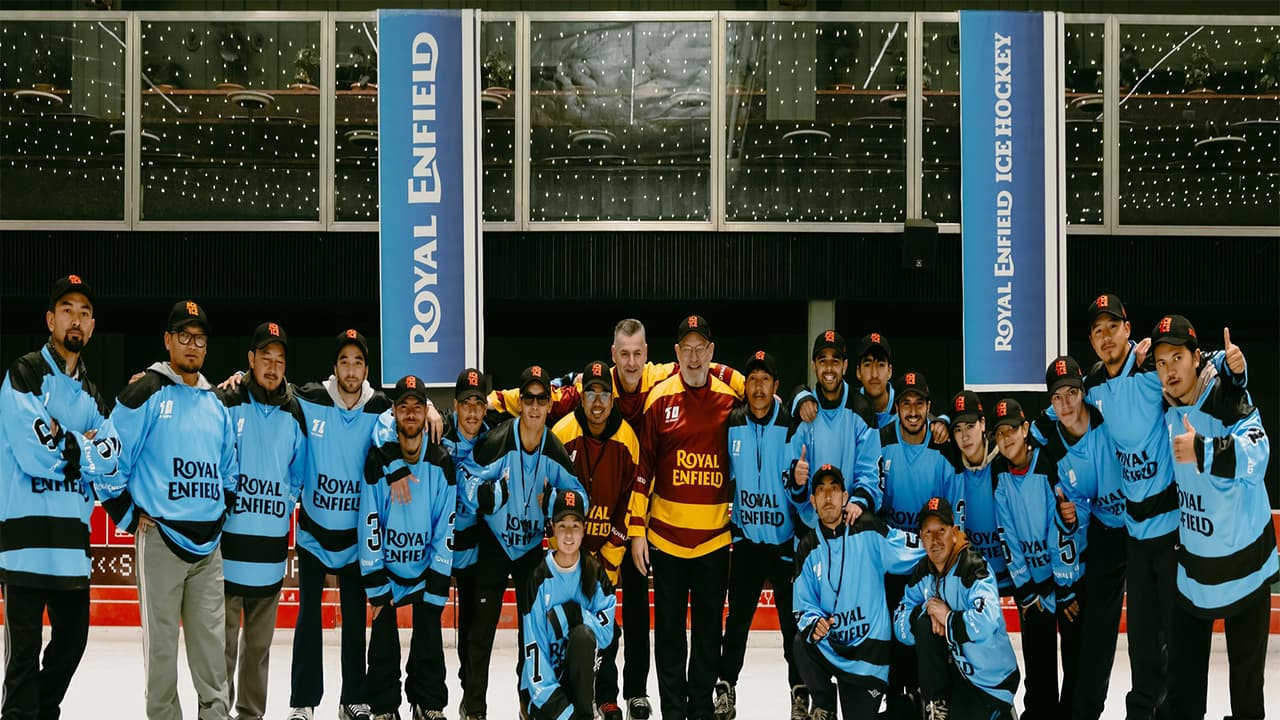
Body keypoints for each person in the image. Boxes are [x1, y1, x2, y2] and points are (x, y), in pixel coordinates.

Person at [1081, 293, 1245, 720]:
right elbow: (1060, 410)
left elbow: (1194, 361)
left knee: (1177, 643)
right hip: (1134, 537)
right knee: (1139, 647)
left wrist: (1231, 367)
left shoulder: (1153, 373)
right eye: (1097, 331)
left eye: (1112, 327)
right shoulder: (1094, 384)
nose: (1106, 337)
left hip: (1173, 532)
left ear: (1127, 330)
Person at [102, 300, 239, 720]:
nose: (192, 345)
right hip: (161, 538)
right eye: (184, 336)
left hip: (207, 549)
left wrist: (219, 515)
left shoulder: (216, 404)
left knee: (211, 653)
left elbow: (229, 471)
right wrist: (125, 513)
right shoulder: (144, 391)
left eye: (199, 338)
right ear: (168, 340)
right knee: (161, 653)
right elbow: (107, 457)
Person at [0, 275, 118, 720]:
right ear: (51, 320)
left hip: (71, 551)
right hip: (26, 548)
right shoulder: (24, 373)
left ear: (91, 327)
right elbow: (34, 453)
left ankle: (41, 712)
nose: (77, 318)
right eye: (67, 309)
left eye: (85, 312)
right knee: (22, 667)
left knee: (71, 646)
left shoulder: (92, 395)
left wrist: (65, 441)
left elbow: (110, 459)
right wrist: (82, 446)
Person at [1151, 315, 1276, 720]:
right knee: (1183, 692)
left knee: (1246, 696)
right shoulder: (1166, 406)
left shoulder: (1225, 396)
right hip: (1195, 575)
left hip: (1246, 568)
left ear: (1195, 358)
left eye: (1177, 358)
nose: (1169, 370)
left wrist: (1205, 449)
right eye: (1160, 362)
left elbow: (1259, 454)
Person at [628, 314, 739, 720]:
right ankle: (674, 712)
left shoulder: (731, 401)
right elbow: (643, 471)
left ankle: (699, 712)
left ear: (711, 352)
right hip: (666, 543)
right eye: (686, 349)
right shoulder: (658, 400)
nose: (694, 356)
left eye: (701, 348)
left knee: (709, 636)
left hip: (713, 542)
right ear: (676, 354)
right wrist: (637, 531)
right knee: (670, 637)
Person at [460, 365, 587, 720]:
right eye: (528, 398)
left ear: (549, 405)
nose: (534, 406)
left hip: (531, 545)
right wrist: (486, 495)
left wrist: (555, 505)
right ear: (520, 403)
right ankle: (473, 707)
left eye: (541, 399)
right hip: (496, 542)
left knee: (532, 632)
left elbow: (581, 498)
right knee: (481, 629)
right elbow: (466, 476)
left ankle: (528, 701)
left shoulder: (555, 449)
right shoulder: (498, 440)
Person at [219, 322, 307, 720]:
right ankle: (216, 712)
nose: (272, 367)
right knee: (221, 648)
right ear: (250, 360)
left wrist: (277, 504)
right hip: (225, 555)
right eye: (265, 358)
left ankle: (250, 714)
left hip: (270, 557)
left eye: (280, 360)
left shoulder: (294, 412)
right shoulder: (227, 402)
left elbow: (299, 474)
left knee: (258, 651)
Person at [1032, 356, 1127, 720]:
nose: (1066, 403)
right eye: (1058, 397)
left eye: (1072, 393)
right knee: (1095, 637)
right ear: (1051, 404)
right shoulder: (1051, 447)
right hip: (1104, 533)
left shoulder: (1107, 417)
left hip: (1143, 524)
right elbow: (1020, 441)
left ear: (1083, 392)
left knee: (1155, 633)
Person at [714, 351, 807, 720]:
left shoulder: (791, 423)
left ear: (776, 386)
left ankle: (799, 692)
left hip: (784, 543)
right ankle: (725, 688)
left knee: (791, 627)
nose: (757, 387)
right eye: (752, 379)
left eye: (765, 379)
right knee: (736, 624)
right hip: (748, 543)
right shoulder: (732, 421)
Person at [792, 465, 925, 720]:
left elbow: (912, 549)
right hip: (832, 646)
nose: (828, 497)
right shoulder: (807, 546)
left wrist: (945, 546)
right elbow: (803, 604)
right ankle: (824, 706)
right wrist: (814, 622)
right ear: (813, 501)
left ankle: (911, 705)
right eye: (821, 490)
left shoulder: (868, 529)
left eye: (834, 489)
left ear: (845, 497)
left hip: (868, 653)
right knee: (802, 642)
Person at [360, 375, 457, 720]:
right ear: (395, 412)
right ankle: (385, 707)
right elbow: (369, 521)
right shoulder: (378, 462)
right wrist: (376, 584)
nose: (411, 414)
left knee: (430, 638)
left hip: (424, 568)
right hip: (387, 569)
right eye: (404, 407)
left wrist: (436, 578)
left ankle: (427, 702)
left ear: (425, 410)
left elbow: (445, 524)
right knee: (383, 642)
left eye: (418, 406)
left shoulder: (441, 462)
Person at [551, 361, 642, 720]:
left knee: (606, 628)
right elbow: (550, 489)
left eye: (605, 391)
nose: (598, 399)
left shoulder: (627, 440)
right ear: (582, 395)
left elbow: (631, 499)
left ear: (612, 396)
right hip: (568, 553)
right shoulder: (561, 432)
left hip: (607, 554)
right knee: (565, 624)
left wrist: (611, 553)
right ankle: (566, 696)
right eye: (591, 391)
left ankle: (607, 697)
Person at [989, 399, 1084, 720]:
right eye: (999, 433)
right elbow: (1008, 538)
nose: (1006, 439)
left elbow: (1059, 530)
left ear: (1025, 429)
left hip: (1063, 582)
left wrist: (1064, 588)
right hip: (1032, 589)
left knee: (1075, 664)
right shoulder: (1000, 477)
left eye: (1012, 430)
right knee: (1039, 666)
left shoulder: (1048, 465)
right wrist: (1028, 592)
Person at [893, 497, 1019, 720]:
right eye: (928, 532)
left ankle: (1002, 713)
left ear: (954, 531)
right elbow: (899, 623)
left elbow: (986, 621)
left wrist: (949, 618)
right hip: (957, 675)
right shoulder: (924, 571)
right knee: (922, 621)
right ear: (921, 537)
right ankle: (935, 703)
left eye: (941, 530)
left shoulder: (973, 566)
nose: (935, 539)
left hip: (990, 681)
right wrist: (929, 611)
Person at [875, 371, 954, 717]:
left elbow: (953, 522)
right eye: (905, 403)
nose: (911, 411)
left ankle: (931, 697)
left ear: (928, 408)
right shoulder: (882, 442)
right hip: (892, 563)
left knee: (927, 633)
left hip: (928, 564)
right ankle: (897, 700)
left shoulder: (942, 453)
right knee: (891, 635)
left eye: (918, 404)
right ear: (897, 406)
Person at [519, 489, 618, 720]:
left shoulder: (594, 573)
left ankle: (584, 712)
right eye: (562, 525)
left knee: (584, 636)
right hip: (542, 689)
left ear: (584, 530)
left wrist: (575, 614)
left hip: (578, 682)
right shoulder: (538, 579)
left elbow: (606, 634)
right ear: (553, 528)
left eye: (575, 525)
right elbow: (535, 651)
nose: (569, 534)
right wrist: (563, 712)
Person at [785, 330, 882, 528]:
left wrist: (858, 501)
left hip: (848, 522)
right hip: (810, 528)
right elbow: (789, 481)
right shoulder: (802, 412)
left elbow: (870, 471)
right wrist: (796, 481)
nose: (829, 368)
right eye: (822, 361)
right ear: (814, 366)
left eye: (835, 361)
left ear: (845, 366)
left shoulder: (862, 410)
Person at [443, 368, 495, 705]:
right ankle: (427, 699)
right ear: (455, 406)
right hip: (439, 545)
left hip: (476, 548)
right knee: (427, 625)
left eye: (478, 403)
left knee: (474, 632)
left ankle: (472, 699)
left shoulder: (494, 442)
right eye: (466, 403)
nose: (473, 411)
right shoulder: (439, 434)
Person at [943, 391, 1011, 595]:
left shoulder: (1005, 460)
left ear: (983, 424)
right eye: (957, 429)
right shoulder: (951, 467)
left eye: (970, 426)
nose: (964, 436)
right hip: (974, 580)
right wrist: (941, 421)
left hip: (1016, 578)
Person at [852, 332, 895, 427]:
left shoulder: (903, 403)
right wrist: (810, 397)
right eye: (867, 365)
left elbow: (927, 418)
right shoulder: (849, 402)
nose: (874, 374)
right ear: (858, 372)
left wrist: (935, 423)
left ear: (889, 371)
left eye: (881, 365)